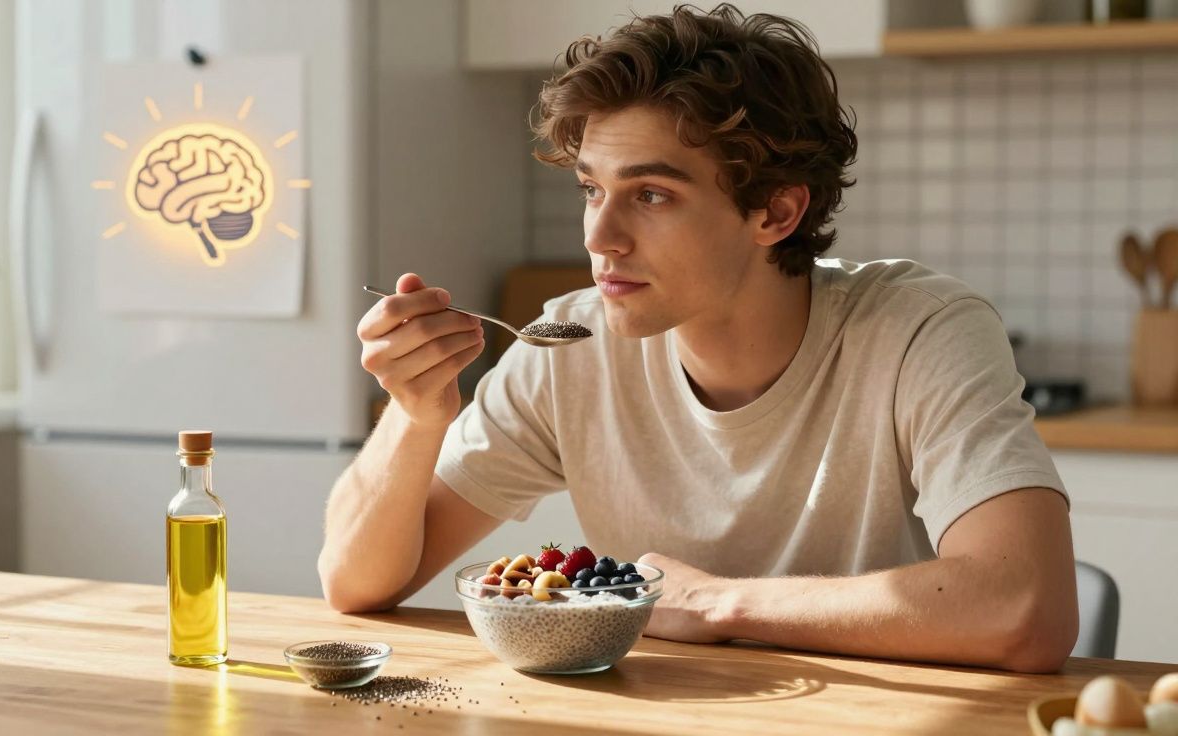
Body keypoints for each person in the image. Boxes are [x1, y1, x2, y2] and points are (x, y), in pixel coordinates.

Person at [319, 5, 1077, 673]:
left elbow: (1025, 608)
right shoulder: (571, 343)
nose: (600, 236)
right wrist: (415, 418)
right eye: (591, 188)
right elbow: (354, 581)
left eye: (650, 195)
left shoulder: (917, 331)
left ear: (775, 213)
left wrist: (719, 605)